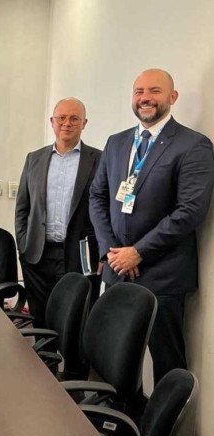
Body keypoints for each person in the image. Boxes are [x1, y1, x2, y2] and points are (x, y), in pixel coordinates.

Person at [89, 68, 214, 383]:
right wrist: (111, 252)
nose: (145, 98)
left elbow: (190, 211)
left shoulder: (193, 145)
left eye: (155, 91)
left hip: (163, 276)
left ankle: (166, 417)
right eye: (139, 91)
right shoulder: (116, 143)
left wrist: (138, 252)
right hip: (117, 270)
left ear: (173, 96)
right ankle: (118, 413)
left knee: (167, 363)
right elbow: (97, 197)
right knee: (114, 357)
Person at [15, 98, 101, 327]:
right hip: (37, 256)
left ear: (84, 123)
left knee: (77, 322)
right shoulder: (34, 159)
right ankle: (44, 353)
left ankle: (73, 354)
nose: (67, 123)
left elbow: (106, 210)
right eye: (61, 118)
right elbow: (23, 207)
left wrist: (102, 252)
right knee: (40, 320)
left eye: (74, 118)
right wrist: (23, 244)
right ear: (52, 121)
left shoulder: (100, 160)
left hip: (81, 256)